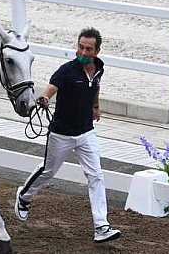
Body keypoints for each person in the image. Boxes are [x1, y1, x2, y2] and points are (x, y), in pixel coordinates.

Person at [14, 27, 121, 243]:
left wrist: (96, 106)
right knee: (48, 171)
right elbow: (49, 89)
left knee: (96, 176)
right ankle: (23, 197)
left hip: (86, 133)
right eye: (80, 47)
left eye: (88, 48)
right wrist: (43, 99)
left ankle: (101, 226)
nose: (82, 51)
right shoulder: (66, 70)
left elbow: (95, 86)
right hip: (61, 134)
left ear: (97, 51)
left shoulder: (99, 69)